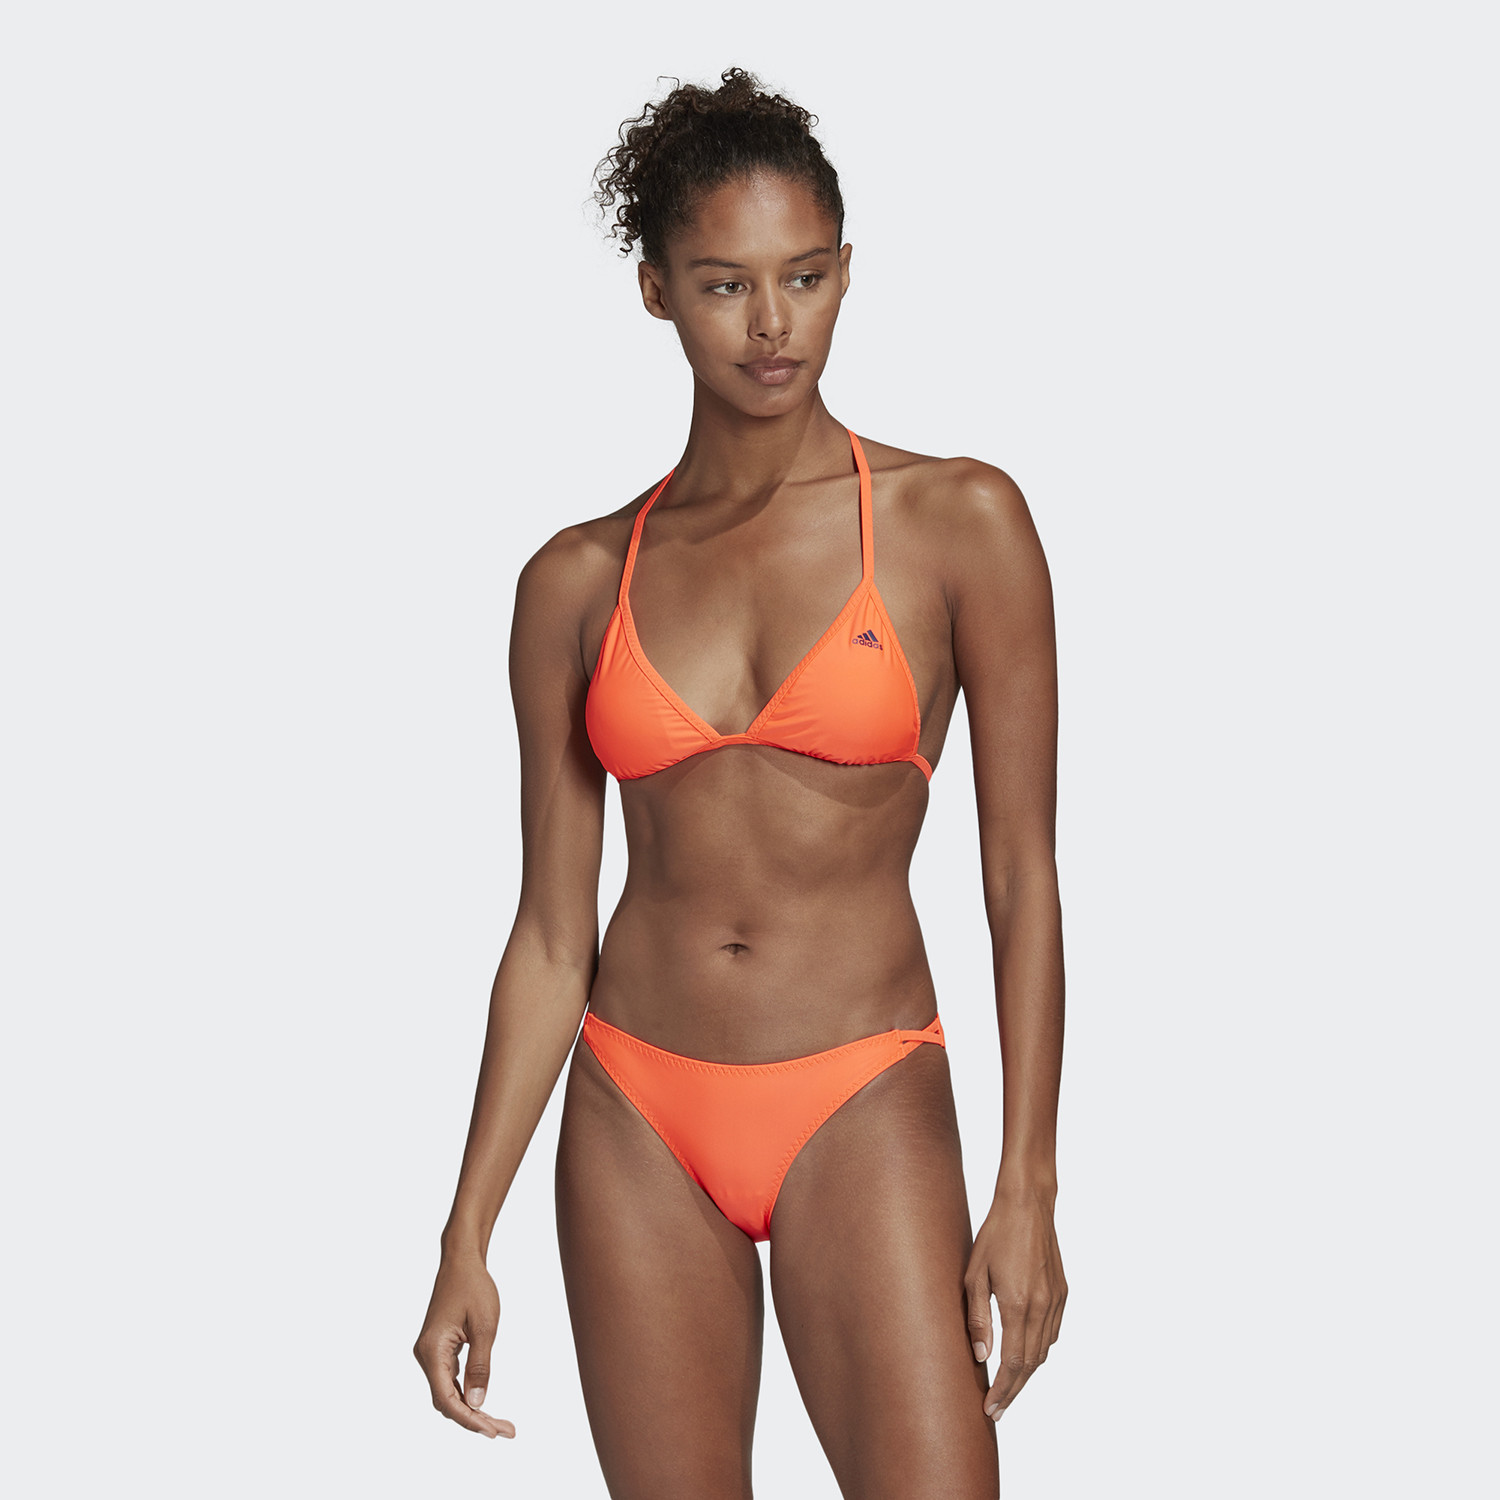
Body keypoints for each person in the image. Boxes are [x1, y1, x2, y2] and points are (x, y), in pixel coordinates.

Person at [414, 66, 1067, 1500]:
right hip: (635, 1108)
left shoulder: (959, 522)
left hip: (862, 1088)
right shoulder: (575, 581)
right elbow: (549, 935)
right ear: (656, 292)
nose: (774, 326)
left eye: (805, 277)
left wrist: (1027, 1182)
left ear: (846, 273)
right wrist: (467, 1230)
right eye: (725, 286)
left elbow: (1020, 877)